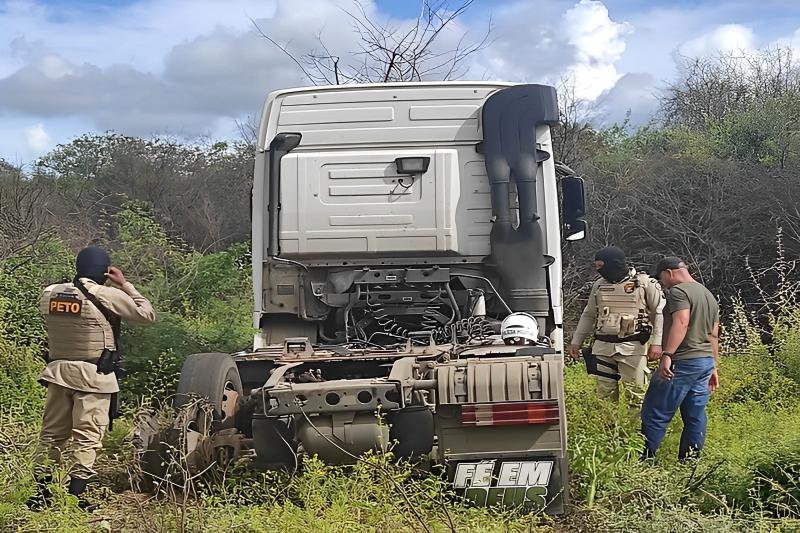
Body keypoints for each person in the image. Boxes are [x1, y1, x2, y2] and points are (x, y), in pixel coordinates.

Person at [29, 246, 156, 510]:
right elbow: (146, 315)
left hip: (58, 373)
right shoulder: (106, 294)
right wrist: (126, 286)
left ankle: (40, 495)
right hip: (93, 377)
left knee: (51, 436)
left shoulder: (50, 293)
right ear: (105, 270)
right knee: (87, 436)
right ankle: (76, 497)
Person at [641, 257, 720, 460]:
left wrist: (668, 355)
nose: (661, 284)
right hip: (704, 362)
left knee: (655, 411)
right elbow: (713, 334)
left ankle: (643, 460)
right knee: (695, 415)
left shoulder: (678, 292)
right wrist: (713, 366)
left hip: (683, 361)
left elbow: (682, 321)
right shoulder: (707, 294)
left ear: (669, 272)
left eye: (660, 279)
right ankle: (690, 461)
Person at [568, 246, 664, 407]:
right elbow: (589, 314)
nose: (599, 270)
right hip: (603, 346)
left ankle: (635, 431)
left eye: (601, 266)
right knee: (604, 395)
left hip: (633, 346)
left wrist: (657, 343)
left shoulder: (644, 283)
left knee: (636, 394)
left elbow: (659, 313)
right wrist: (576, 342)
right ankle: (608, 429)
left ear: (614, 263)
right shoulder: (598, 285)